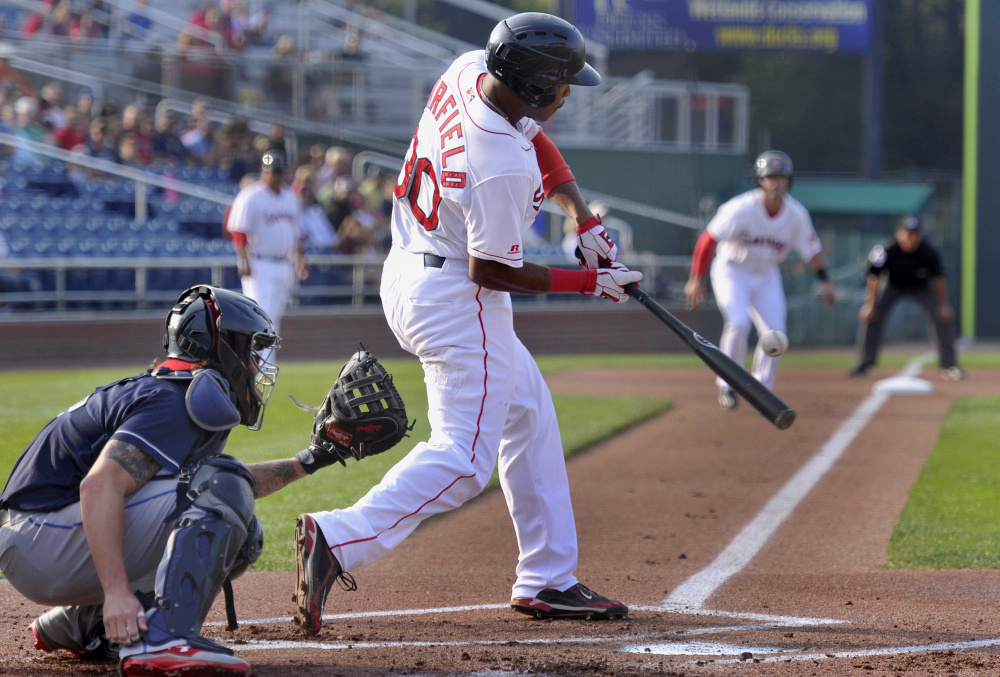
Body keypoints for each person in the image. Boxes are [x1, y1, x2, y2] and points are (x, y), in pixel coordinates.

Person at [291, 12, 641, 636]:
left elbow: (536, 138)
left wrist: (582, 219)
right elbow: (495, 273)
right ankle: (338, 539)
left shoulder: (474, 69)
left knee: (527, 408)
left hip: (414, 266)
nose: (567, 93)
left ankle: (549, 578)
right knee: (464, 458)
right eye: (561, 84)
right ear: (534, 86)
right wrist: (592, 281)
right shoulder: (497, 161)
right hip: (460, 294)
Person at [0, 285, 334, 676]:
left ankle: (82, 625)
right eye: (251, 348)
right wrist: (116, 593)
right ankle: (165, 637)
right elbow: (99, 486)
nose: (258, 363)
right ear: (219, 346)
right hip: (41, 536)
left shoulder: (173, 390)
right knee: (220, 487)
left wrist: (313, 459)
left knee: (243, 528)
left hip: (37, 536)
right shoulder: (171, 400)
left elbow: (223, 485)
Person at [684, 150, 837, 409]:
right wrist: (696, 279)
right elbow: (707, 240)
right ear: (760, 181)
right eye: (770, 177)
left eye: (781, 177)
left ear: (789, 181)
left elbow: (812, 251)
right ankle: (727, 384)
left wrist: (825, 282)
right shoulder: (741, 208)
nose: (776, 182)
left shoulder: (796, 215)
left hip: (766, 274)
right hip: (732, 269)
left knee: (776, 333)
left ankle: (762, 389)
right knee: (739, 323)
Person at [848, 215, 964, 380]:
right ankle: (864, 364)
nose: (912, 238)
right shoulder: (886, 250)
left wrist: (943, 305)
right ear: (899, 234)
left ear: (921, 235)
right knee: (871, 316)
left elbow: (938, 280)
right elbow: (873, 278)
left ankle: (949, 364)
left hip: (921, 286)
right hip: (892, 285)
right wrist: (870, 305)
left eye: (915, 234)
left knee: (941, 316)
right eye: (908, 233)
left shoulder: (929, 252)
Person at [227, 150, 307, 342]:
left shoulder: (290, 198)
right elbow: (239, 232)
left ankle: (266, 370)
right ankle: (257, 369)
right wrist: (242, 261)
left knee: (275, 320)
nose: (275, 175)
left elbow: (297, 234)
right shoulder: (251, 196)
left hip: (283, 264)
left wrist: (301, 261)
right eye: (271, 171)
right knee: (262, 319)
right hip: (259, 264)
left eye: (279, 171)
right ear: (263, 172)